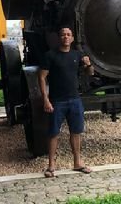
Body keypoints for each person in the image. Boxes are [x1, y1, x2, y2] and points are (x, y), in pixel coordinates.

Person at [38, 27, 94, 178]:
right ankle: (51, 166)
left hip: (75, 99)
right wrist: (45, 99)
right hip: (57, 101)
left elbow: (90, 73)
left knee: (76, 132)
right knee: (53, 133)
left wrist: (88, 64)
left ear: (72, 38)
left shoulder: (77, 55)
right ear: (59, 38)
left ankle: (77, 163)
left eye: (68, 35)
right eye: (63, 34)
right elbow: (42, 77)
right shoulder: (50, 56)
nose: (66, 37)